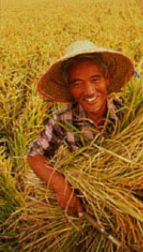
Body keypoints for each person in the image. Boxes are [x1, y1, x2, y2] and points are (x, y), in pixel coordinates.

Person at [27, 40, 135, 217]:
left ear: (107, 79)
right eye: (77, 84)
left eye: (95, 79)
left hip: (128, 196)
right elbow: (35, 156)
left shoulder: (128, 112)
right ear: (69, 88)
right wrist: (61, 186)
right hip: (89, 199)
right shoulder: (64, 118)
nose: (89, 91)